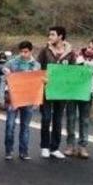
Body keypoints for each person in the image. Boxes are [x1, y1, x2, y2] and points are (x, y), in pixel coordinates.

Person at [37, 26, 76, 160]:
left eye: (52, 35)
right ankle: (45, 147)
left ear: (60, 36)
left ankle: (55, 147)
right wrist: (42, 77)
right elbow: (38, 66)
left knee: (58, 120)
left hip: (62, 91)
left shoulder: (71, 53)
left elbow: (73, 71)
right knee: (46, 118)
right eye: (49, 35)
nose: (50, 37)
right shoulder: (45, 51)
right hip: (47, 89)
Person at [65, 38, 93, 159]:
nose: (90, 50)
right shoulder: (76, 55)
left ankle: (82, 146)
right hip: (72, 92)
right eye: (89, 47)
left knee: (84, 120)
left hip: (87, 93)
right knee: (70, 119)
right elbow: (67, 70)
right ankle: (70, 145)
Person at [2, 41, 40, 161]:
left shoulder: (36, 65)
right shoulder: (12, 62)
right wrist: (5, 70)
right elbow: (3, 68)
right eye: (21, 52)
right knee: (10, 125)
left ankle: (24, 151)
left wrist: (36, 101)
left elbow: (38, 84)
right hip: (13, 98)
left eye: (26, 52)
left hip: (28, 99)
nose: (23, 54)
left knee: (25, 126)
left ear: (30, 51)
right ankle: (9, 151)